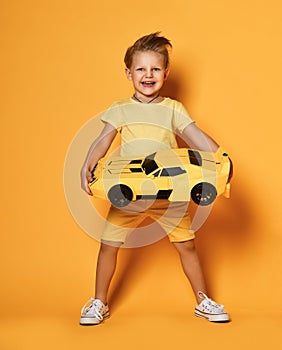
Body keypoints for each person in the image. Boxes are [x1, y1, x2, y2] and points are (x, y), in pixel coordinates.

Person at [79, 32, 230, 325]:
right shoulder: (120, 109)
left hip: (169, 193)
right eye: (141, 69)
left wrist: (223, 157)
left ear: (166, 73)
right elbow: (102, 141)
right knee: (108, 245)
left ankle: (203, 300)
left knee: (187, 245)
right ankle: (99, 301)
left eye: (155, 69)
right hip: (130, 195)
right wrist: (88, 162)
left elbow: (197, 139)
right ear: (128, 73)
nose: (148, 75)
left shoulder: (172, 109)